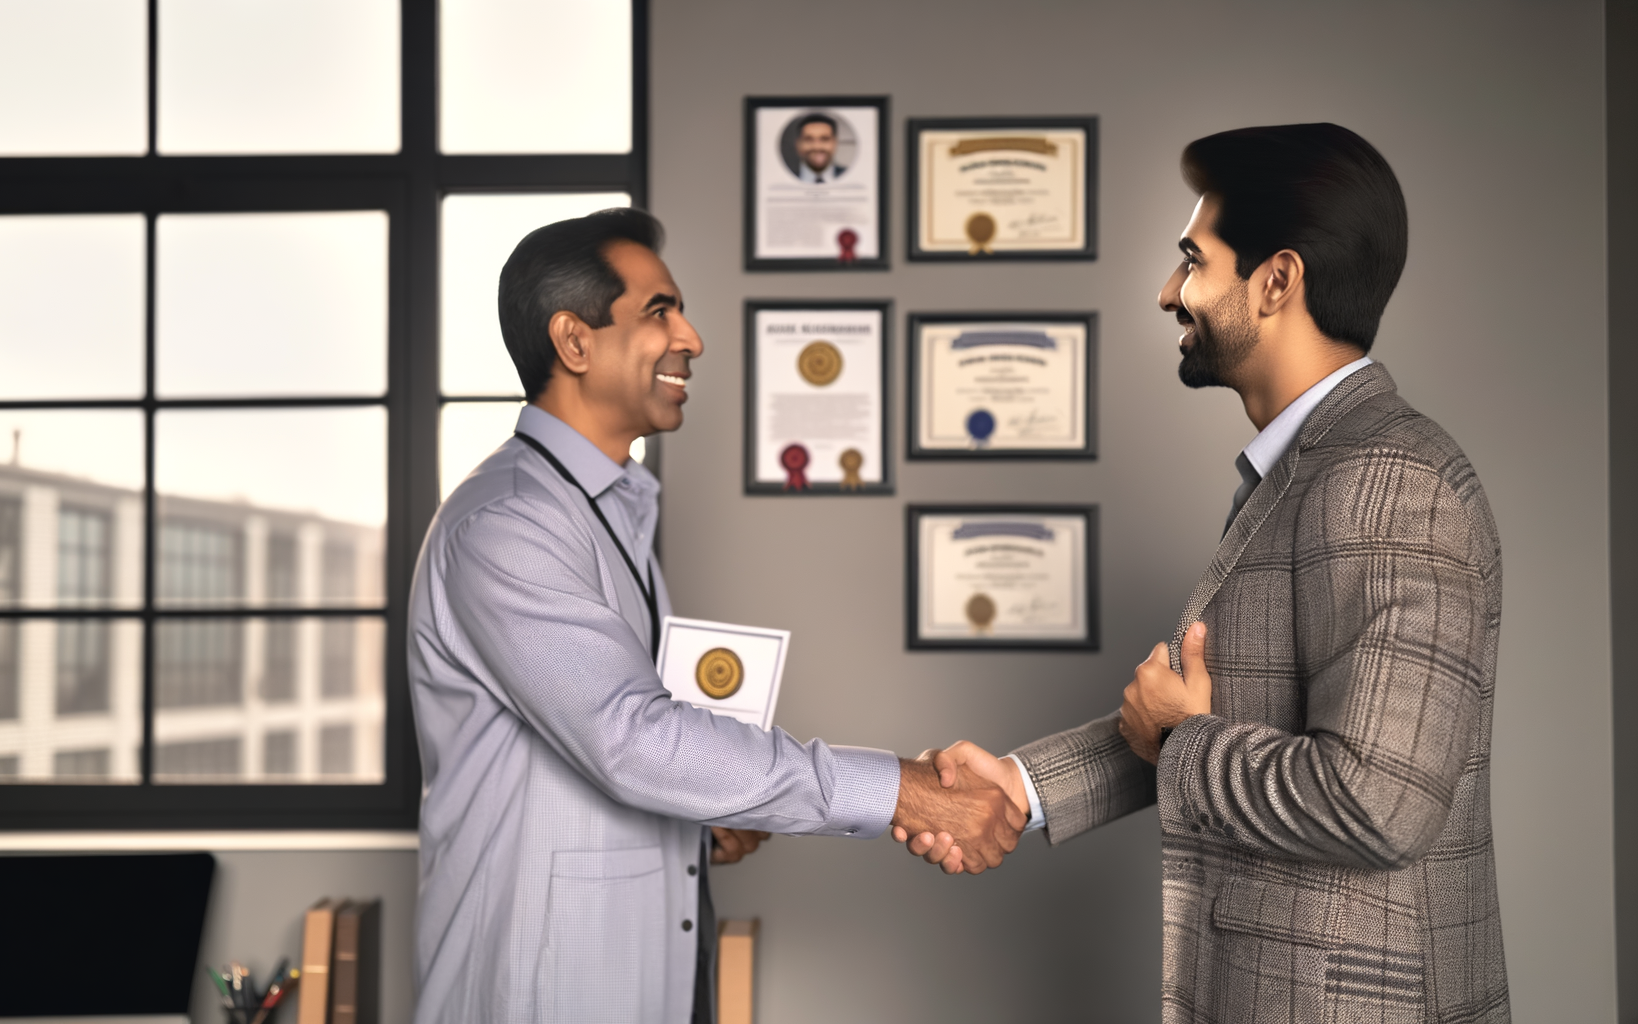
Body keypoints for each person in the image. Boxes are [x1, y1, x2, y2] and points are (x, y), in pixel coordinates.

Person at [900, 124, 1509, 1023]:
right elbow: (1216, 724)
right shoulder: (1310, 469)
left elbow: (1378, 803)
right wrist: (1016, 791)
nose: (1167, 292)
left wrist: (1183, 740)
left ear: (1276, 281)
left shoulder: (1385, 481)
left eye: (1193, 261)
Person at [407, 208, 1024, 1024]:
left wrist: (693, 830)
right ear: (574, 341)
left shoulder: (605, 508)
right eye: (659, 311)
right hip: (535, 991)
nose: (691, 338)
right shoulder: (508, 525)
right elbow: (629, 739)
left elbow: (577, 769)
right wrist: (900, 791)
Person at [790, 112, 844, 183]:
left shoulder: (853, 177)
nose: (817, 147)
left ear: (835, 143)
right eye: (808, 139)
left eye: (824, 139)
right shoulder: (783, 179)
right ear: (798, 144)